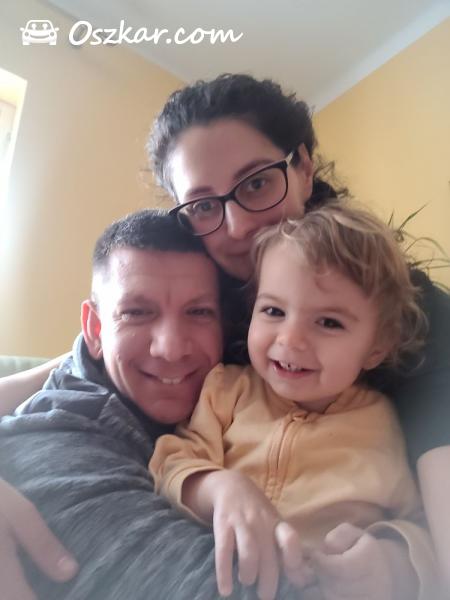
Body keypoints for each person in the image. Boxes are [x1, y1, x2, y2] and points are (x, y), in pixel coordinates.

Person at [1, 73, 450, 595]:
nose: (236, 227)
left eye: (256, 183)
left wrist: (399, 559)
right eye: (203, 206)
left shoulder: (399, 307)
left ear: (304, 169)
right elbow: (75, 364)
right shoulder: (202, 280)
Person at [0, 209, 301, 599]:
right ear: (95, 329)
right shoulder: (57, 438)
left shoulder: (245, 392)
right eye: (137, 313)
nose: (171, 349)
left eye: (199, 312)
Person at [150, 203, 438, 600]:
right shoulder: (227, 390)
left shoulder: (384, 422)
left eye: (329, 322)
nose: (290, 339)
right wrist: (220, 489)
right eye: (273, 310)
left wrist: (391, 561)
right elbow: (170, 464)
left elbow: (421, 524)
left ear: (377, 346)